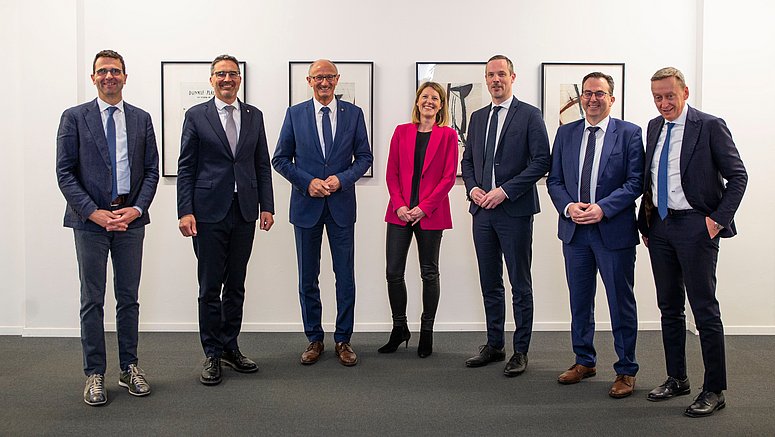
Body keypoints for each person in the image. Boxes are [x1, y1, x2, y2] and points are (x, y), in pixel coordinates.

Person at [638, 67, 747, 417]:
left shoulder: (710, 126)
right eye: (658, 97)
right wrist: (647, 221)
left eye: (670, 95)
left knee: (704, 311)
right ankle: (677, 378)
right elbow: (650, 179)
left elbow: (738, 176)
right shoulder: (654, 127)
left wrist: (716, 220)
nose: (664, 103)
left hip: (696, 228)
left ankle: (714, 389)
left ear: (685, 92)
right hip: (661, 229)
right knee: (669, 307)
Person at [56, 49, 159, 405]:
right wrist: (93, 212)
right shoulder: (74, 117)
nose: (109, 76)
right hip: (90, 224)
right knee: (92, 300)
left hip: (130, 221)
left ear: (125, 77)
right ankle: (94, 373)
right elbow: (65, 173)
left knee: (128, 299)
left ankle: (129, 366)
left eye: (115, 71)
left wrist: (136, 208)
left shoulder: (142, 119)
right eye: (103, 71)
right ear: (94, 77)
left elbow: (151, 172)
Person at [177, 54, 275, 386]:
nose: (227, 79)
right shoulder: (196, 116)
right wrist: (184, 210)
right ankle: (211, 353)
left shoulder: (254, 116)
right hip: (206, 213)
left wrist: (267, 206)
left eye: (232, 74)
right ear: (211, 80)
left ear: (240, 79)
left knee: (235, 285)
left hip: (245, 210)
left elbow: (262, 164)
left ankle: (230, 347)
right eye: (221, 74)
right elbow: (186, 167)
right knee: (209, 287)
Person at [546, 72, 644, 398]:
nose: (592, 99)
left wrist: (603, 208)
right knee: (580, 301)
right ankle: (584, 360)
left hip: (612, 232)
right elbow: (554, 180)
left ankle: (626, 369)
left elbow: (634, 183)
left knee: (620, 302)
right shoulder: (565, 134)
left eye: (599, 93)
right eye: (587, 93)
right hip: (575, 233)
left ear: (611, 98)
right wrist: (567, 206)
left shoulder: (629, 134)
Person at [273, 59, 373, 367]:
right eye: (319, 77)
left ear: (337, 79)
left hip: (341, 207)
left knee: (345, 276)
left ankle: (343, 339)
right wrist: (308, 182)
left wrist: (342, 179)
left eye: (329, 77)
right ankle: (314, 339)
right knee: (308, 277)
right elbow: (280, 159)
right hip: (306, 207)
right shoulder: (295, 114)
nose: (324, 82)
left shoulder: (353, 114)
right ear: (309, 80)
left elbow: (365, 157)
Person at [460, 55, 550, 376]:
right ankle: (494, 344)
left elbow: (542, 161)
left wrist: (506, 190)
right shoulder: (479, 117)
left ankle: (520, 350)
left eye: (501, 74)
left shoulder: (529, 115)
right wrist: (472, 188)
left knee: (519, 283)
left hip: (514, 210)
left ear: (513, 77)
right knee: (490, 282)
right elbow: (467, 161)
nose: (495, 79)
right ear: (485, 80)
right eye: (490, 75)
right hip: (482, 211)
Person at [379, 81, 458, 358]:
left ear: (441, 105)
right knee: (393, 272)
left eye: (435, 98)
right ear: (417, 101)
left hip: (431, 214)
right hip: (399, 213)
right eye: (425, 97)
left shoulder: (448, 136)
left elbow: (448, 178)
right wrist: (401, 205)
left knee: (429, 273)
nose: (429, 101)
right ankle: (399, 328)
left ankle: (427, 332)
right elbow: (391, 173)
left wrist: (423, 208)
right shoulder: (401, 132)